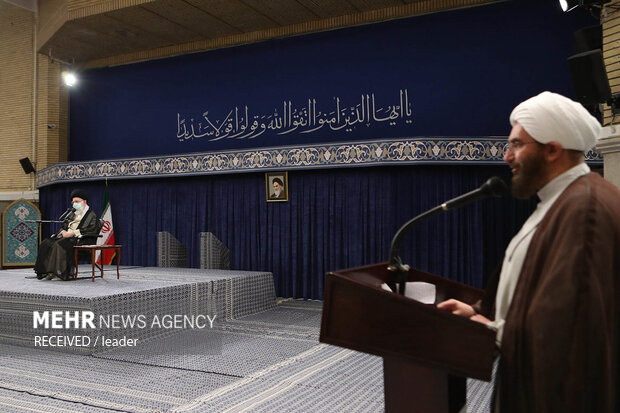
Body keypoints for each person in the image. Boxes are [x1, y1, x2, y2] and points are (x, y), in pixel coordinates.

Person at [437, 91, 620, 412]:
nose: (507, 156)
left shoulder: (584, 210)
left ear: (552, 150)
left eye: (517, 145)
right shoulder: (561, 201)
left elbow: (570, 328)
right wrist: (480, 312)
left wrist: (493, 330)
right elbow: (531, 291)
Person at [34, 189, 99, 281]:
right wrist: (63, 232)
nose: (74, 204)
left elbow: (92, 229)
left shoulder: (91, 215)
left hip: (80, 239)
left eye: (77, 201)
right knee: (46, 243)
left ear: (84, 202)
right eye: (73, 202)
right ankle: (48, 272)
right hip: (67, 237)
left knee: (58, 245)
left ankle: (60, 273)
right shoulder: (72, 213)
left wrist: (72, 233)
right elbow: (65, 225)